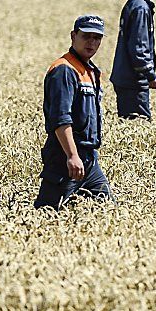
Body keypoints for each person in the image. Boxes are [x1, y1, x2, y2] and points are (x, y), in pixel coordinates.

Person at [35, 15, 113, 210]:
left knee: (107, 209)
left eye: (97, 38)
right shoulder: (64, 70)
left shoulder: (90, 70)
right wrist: (72, 155)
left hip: (89, 159)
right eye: (86, 36)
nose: (92, 42)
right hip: (65, 157)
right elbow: (61, 119)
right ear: (73, 36)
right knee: (47, 211)